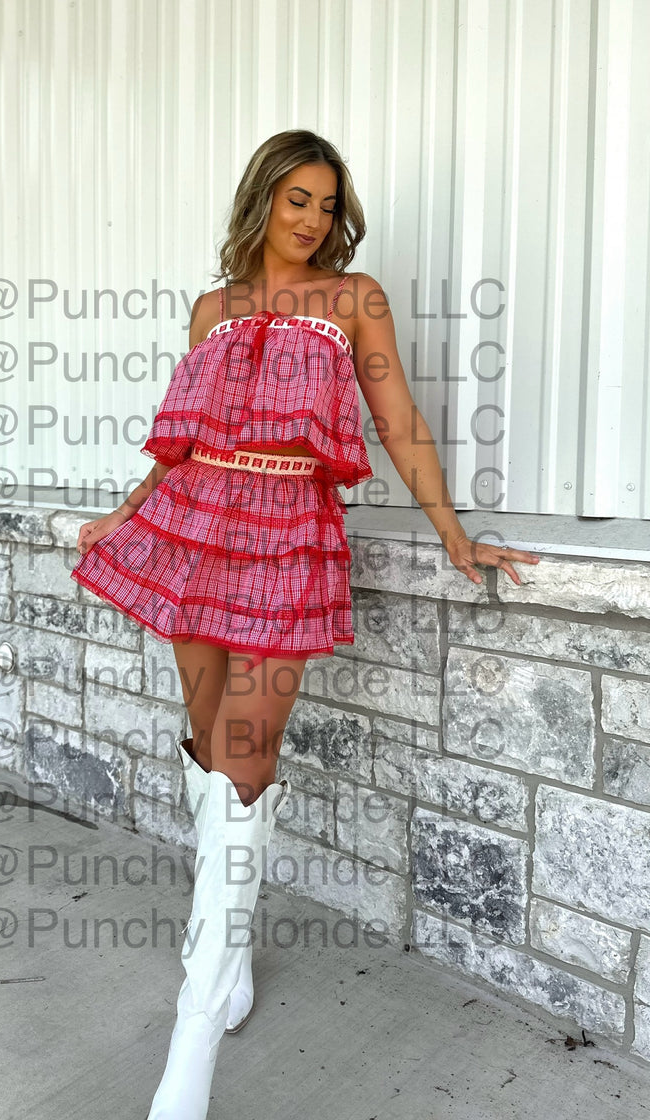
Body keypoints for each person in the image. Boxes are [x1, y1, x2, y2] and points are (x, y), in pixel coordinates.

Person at [70, 129, 540, 1120]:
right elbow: (181, 443)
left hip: (289, 533)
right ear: (262, 199)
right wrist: (125, 510)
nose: (314, 220)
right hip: (193, 525)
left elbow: (398, 422)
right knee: (209, 746)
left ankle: (192, 1040)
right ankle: (229, 950)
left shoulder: (352, 299)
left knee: (244, 755)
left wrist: (453, 532)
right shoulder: (211, 309)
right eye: (297, 199)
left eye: (327, 205)